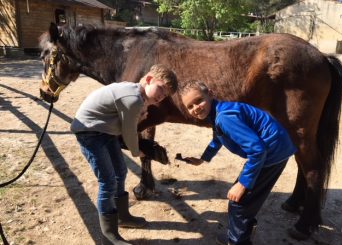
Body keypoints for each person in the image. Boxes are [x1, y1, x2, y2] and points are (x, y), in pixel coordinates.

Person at [71, 64, 178, 245]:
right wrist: (137, 151)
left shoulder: (138, 96)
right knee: (108, 181)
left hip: (105, 131)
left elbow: (127, 127)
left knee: (120, 171)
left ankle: (122, 216)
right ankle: (108, 236)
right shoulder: (134, 98)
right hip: (90, 132)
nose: (162, 95)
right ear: (149, 80)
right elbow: (129, 132)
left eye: (165, 94)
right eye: (161, 88)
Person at [179, 80, 296, 245]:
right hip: (279, 148)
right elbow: (218, 137)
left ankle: (237, 241)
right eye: (190, 106)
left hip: (271, 153)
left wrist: (243, 183)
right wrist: (203, 159)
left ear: (210, 94)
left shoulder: (224, 118)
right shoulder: (219, 111)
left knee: (238, 203)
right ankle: (239, 236)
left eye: (198, 100)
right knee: (248, 201)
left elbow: (257, 150)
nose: (195, 108)